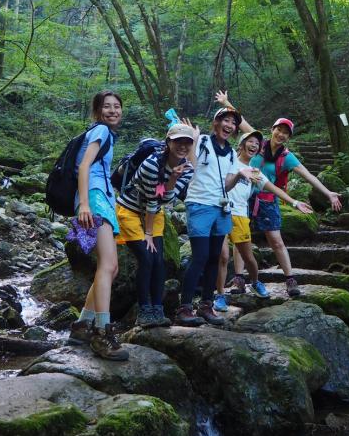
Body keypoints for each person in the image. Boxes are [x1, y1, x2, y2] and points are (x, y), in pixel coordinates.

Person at [216, 91, 342, 297]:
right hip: (242, 197)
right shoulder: (258, 143)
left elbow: (308, 175)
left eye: (286, 132)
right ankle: (239, 278)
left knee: (276, 240)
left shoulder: (287, 157)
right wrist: (226, 102)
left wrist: (328, 193)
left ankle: (290, 279)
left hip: (267, 198)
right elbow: (240, 121)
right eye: (279, 130)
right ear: (272, 130)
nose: (281, 134)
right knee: (240, 240)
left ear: (288, 137)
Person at [214, 130, 314, 310]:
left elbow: (273, 188)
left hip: (241, 215)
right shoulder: (228, 161)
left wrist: (294, 202)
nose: (254, 146)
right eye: (250, 142)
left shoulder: (255, 172)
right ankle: (220, 295)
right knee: (222, 256)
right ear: (241, 144)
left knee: (249, 257)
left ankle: (255, 281)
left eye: (257, 144)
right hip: (220, 213)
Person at [176, 106, 257, 326]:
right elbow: (191, 164)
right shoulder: (201, 141)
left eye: (233, 123)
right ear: (216, 123)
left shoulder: (231, 153)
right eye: (226, 121)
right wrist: (192, 140)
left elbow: (227, 185)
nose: (229, 126)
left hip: (221, 207)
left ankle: (206, 305)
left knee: (214, 258)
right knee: (200, 256)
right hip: (199, 205)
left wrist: (240, 174)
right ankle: (184, 307)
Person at [116, 121, 198, 327]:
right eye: (178, 141)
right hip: (131, 210)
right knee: (146, 260)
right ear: (168, 142)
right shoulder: (152, 164)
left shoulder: (186, 168)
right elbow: (153, 199)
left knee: (158, 261)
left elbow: (167, 199)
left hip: (155, 212)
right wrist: (149, 234)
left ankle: (158, 310)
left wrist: (173, 178)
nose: (183, 146)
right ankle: (144, 311)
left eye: (187, 142)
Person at [67, 90, 129, 361]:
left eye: (117, 107)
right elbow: (83, 167)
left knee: (110, 268)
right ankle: (102, 333)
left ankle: (82, 325)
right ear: (98, 111)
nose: (113, 110)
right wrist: (84, 205)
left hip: (100, 199)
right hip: (93, 200)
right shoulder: (101, 131)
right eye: (107, 107)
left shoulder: (103, 133)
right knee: (108, 266)